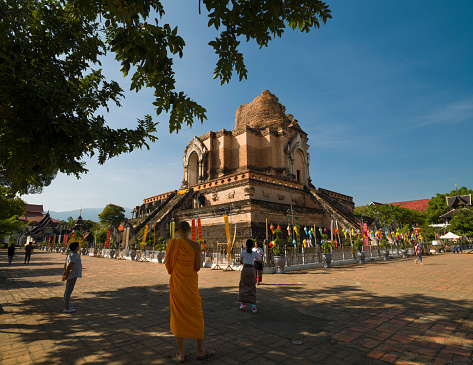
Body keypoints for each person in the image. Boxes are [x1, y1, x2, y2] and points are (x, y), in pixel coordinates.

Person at [165, 221, 215, 362]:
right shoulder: (196, 246)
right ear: (190, 230)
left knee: (177, 316)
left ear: (179, 232)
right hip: (191, 286)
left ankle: (181, 353)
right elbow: (198, 267)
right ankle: (200, 350)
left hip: (177, 285)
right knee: (197, 315)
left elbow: (168, 266)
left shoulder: (172, 244)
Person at [239, 239, 261, 314]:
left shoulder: (242, 252)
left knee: (243, 285)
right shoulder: (254, 253)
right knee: (252, 286)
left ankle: (243, 303)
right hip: (252, 269)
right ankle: (253, 306)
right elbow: (259, 260)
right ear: (252, 245)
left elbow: (240, 261)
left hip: (245, 269)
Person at [62, 241, 82, 313]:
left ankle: (66, 305)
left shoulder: (71, 254)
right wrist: (66, 275)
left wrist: (65, 273)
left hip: (72, 274)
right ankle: (66, 307)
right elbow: (69, 265)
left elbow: (66, 264)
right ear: (76, 247)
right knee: (68, 291)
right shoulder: (73, 255)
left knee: (68, 290)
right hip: (72, 274)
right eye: (78, 246)